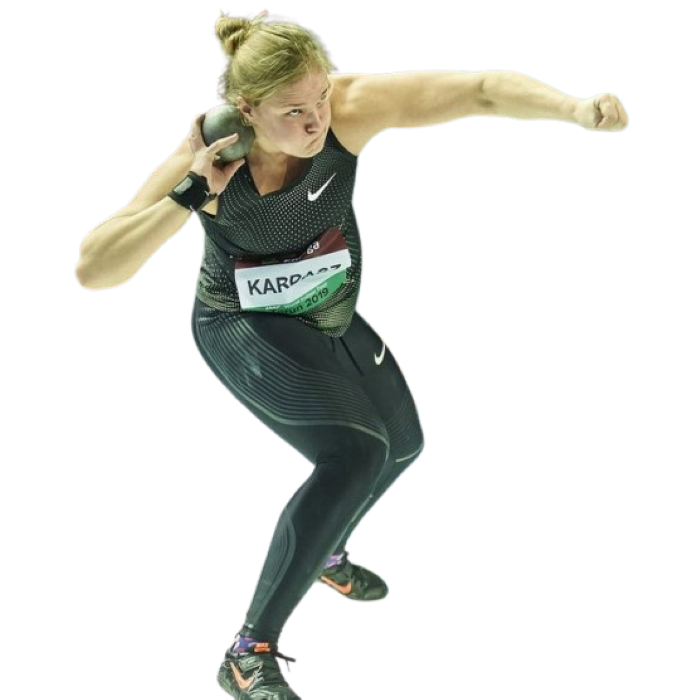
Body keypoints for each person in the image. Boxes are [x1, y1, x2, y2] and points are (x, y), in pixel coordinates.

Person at [74, 8, 628, 699]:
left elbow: (481, 88)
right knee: (354, 454)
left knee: (402, 446)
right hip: (242, 324)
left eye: (320, 97)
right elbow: (94, 268)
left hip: (329, 315)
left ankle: (323, 550)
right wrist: (190, 195)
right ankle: (248, 652)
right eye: (293, 111)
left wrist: (574, 108)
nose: (316, 121)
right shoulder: (214, 161)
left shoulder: (348, 109)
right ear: (245, 110)